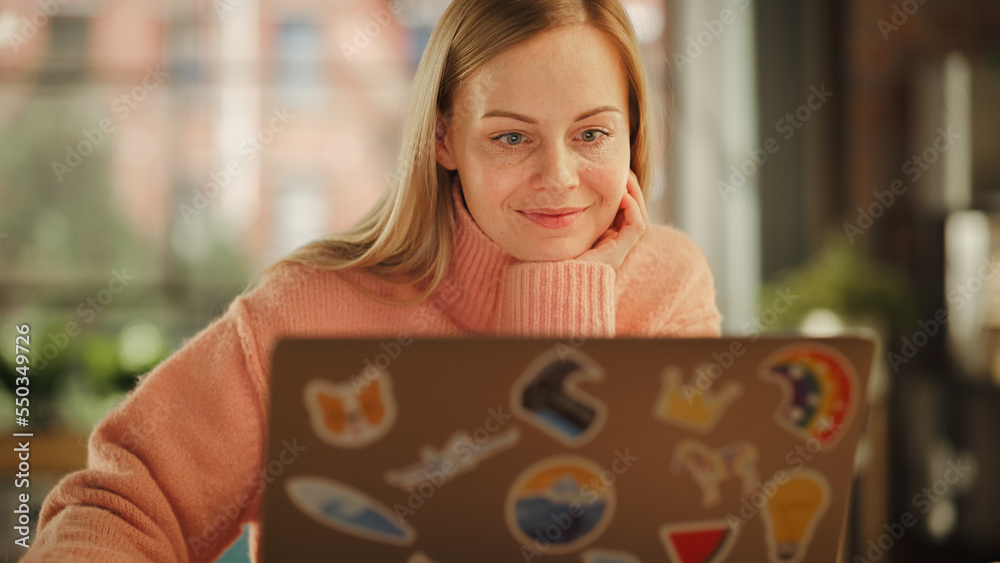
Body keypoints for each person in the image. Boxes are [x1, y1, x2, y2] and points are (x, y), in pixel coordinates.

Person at [24, 0, 722, 560]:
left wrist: (562, 296)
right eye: (512, 137)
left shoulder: (668, 286)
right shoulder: (307, 311)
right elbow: (120, 505)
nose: (560, 178)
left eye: (593, 134)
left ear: (633, 131)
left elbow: (572, 533)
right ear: (444, 137)